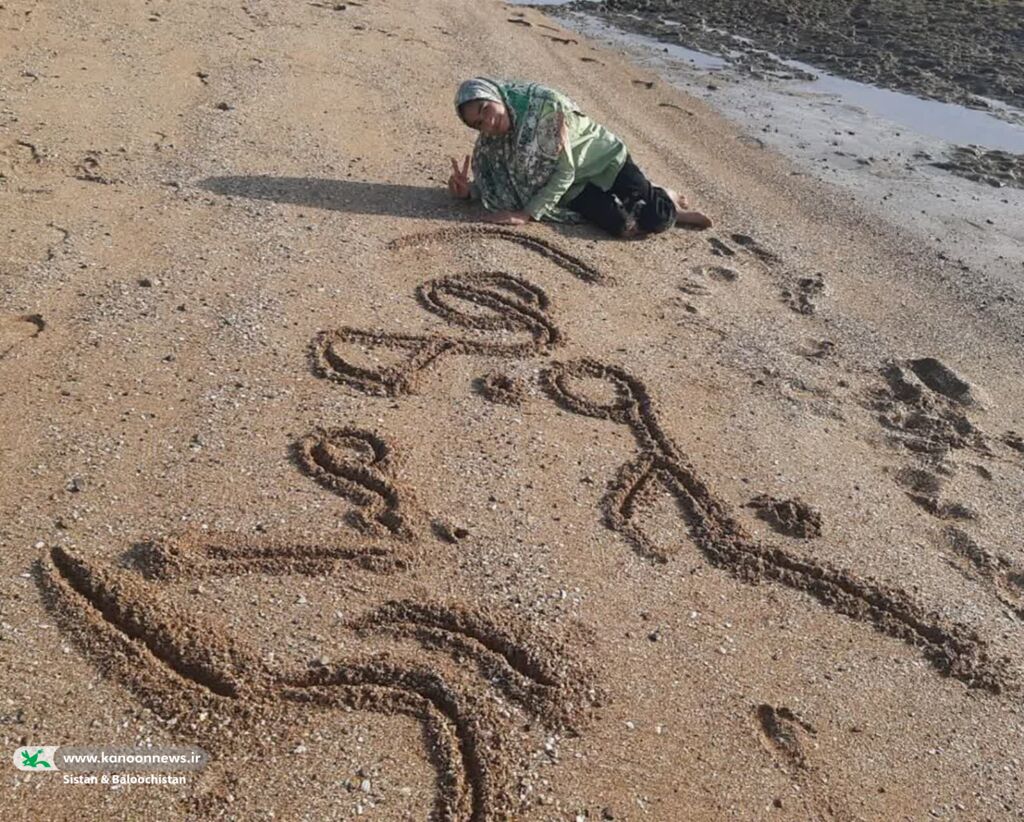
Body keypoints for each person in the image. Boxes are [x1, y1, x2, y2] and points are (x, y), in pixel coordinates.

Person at [448, 76, 712, 237]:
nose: (489, 122)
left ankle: (667, 198)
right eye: (478, 123)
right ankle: (649, 194)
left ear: (495, 95)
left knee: (656, 218)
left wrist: (526, 214)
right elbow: (501, 180)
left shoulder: (545, 107)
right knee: (624, 227)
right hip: (571, 188)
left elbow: (565, 170)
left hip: (602, 160)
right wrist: (470, 191)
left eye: (485, 108)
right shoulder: (492, 143)